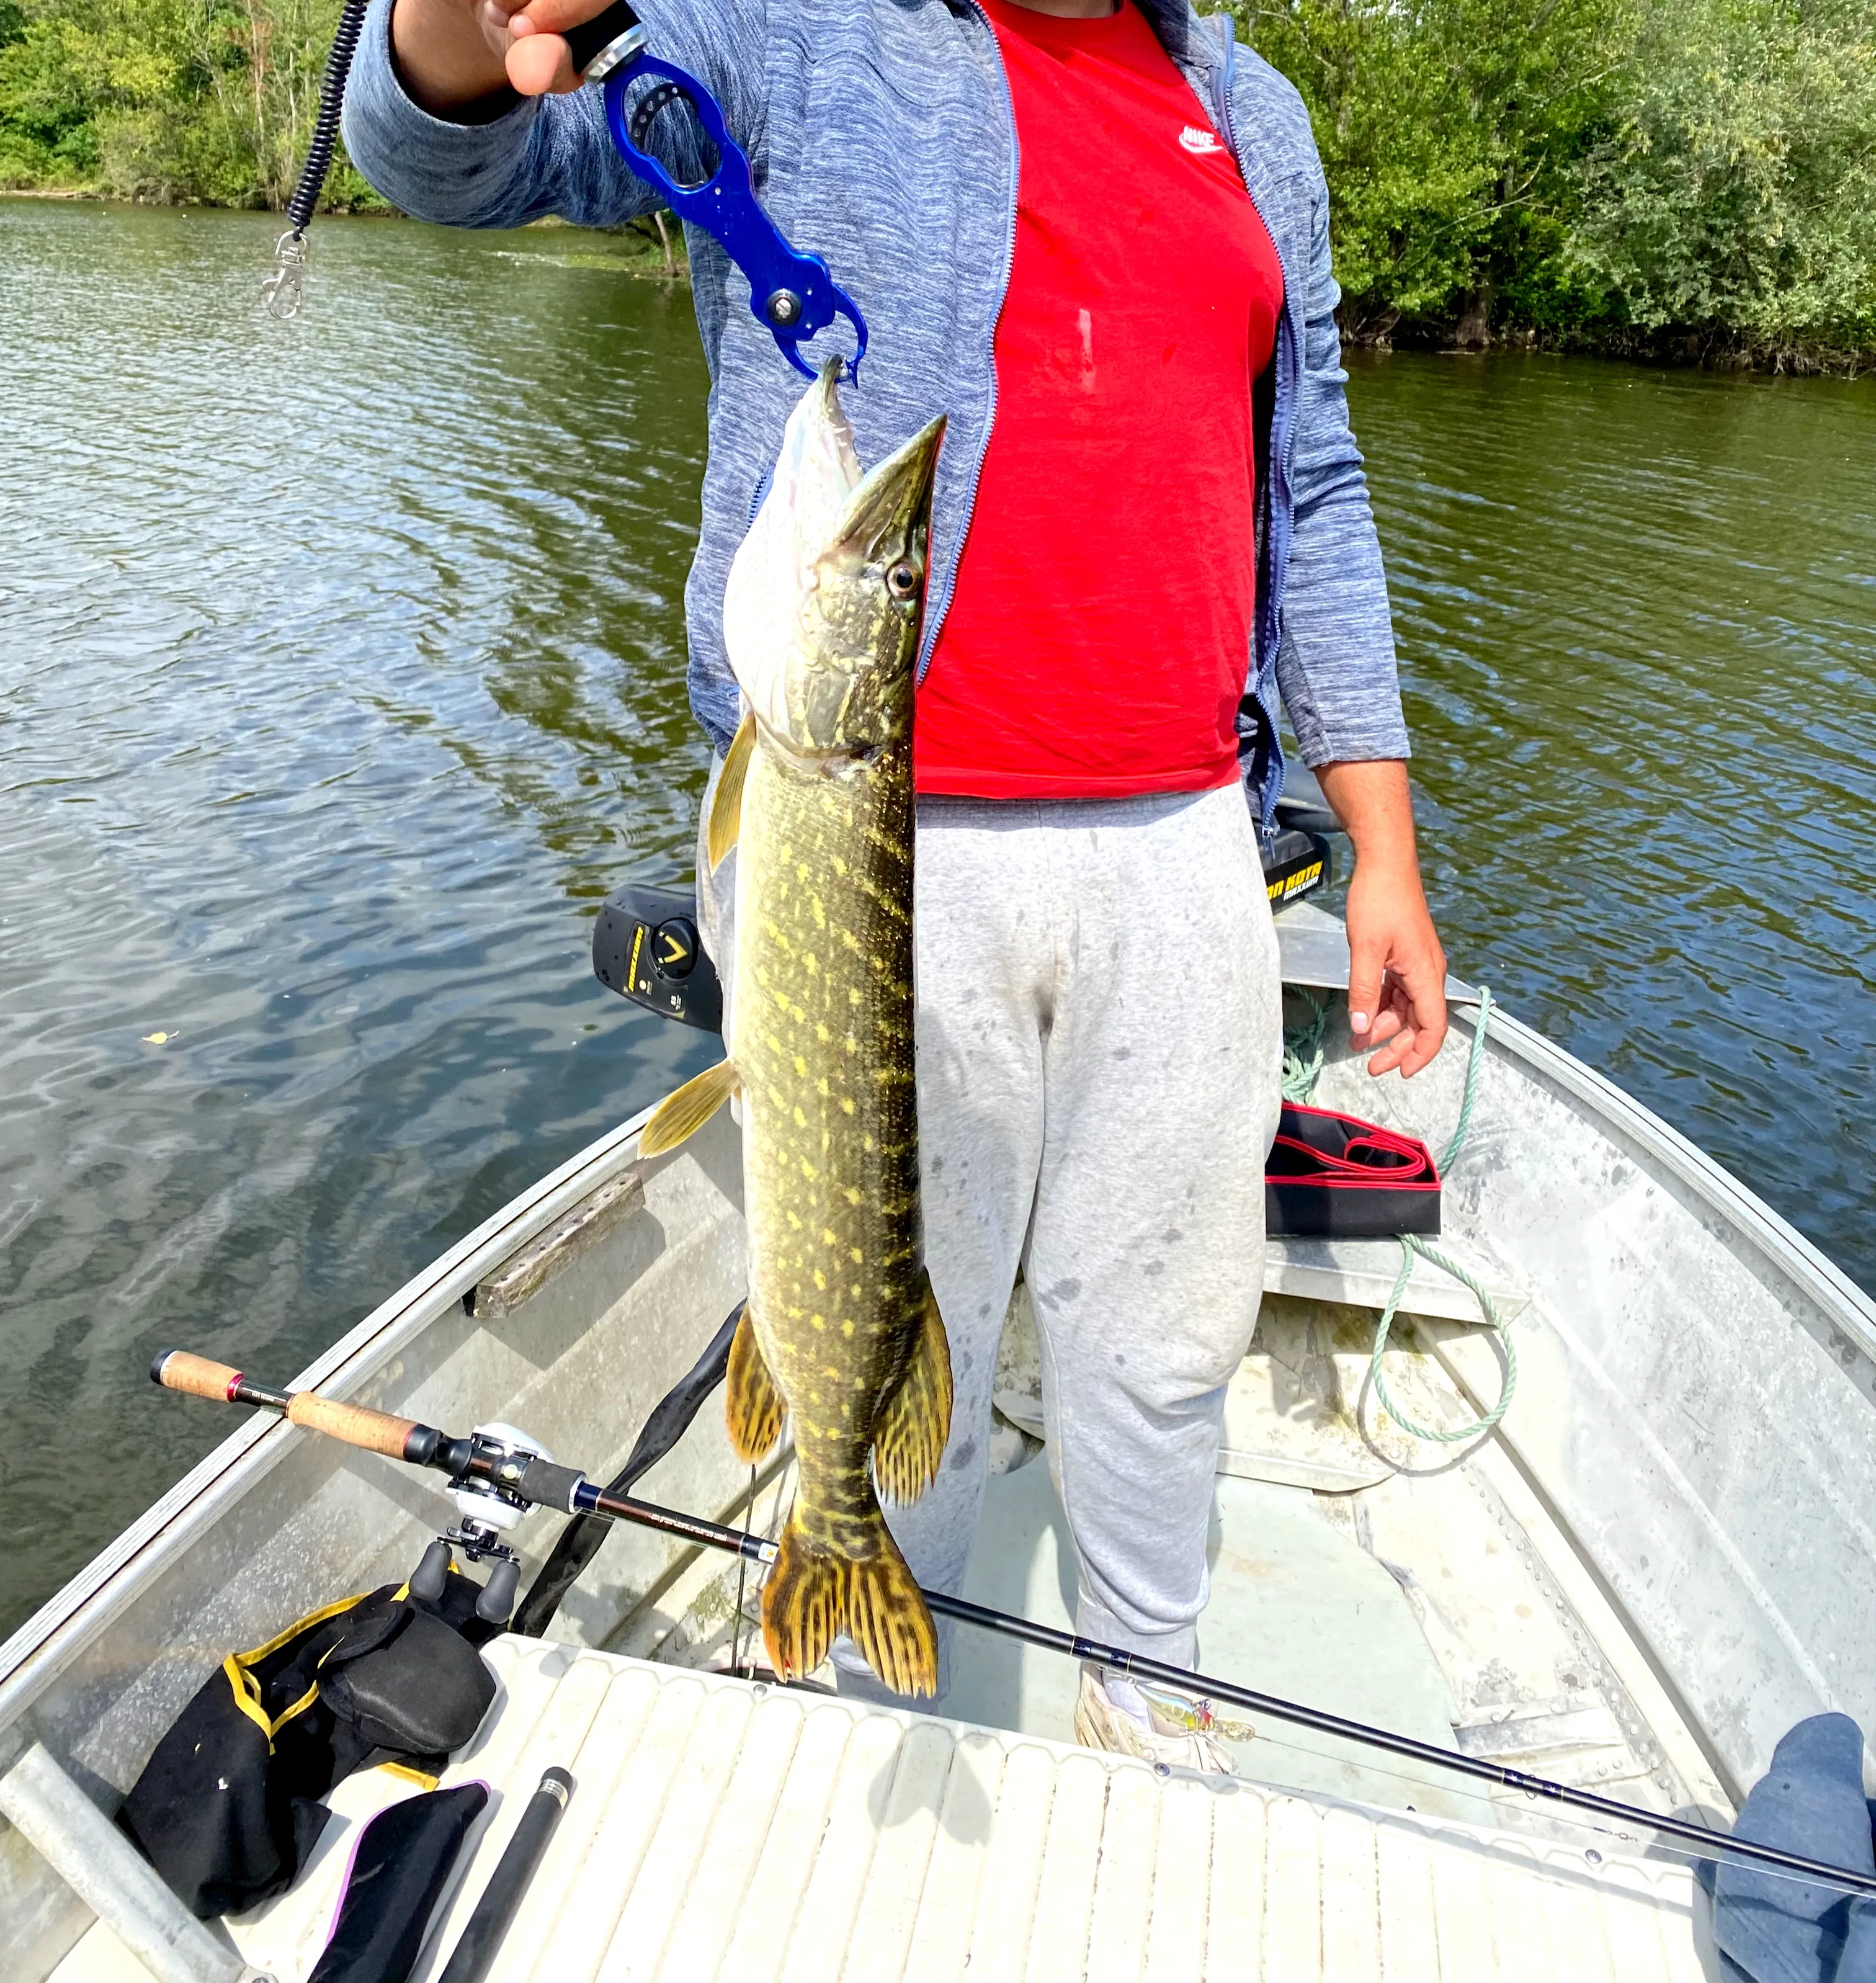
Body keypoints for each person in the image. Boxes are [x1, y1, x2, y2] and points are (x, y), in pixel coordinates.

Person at [344, 0, 1449, 1773]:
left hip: (1187, 847)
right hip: (873, 852)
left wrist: (1378, 847)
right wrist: (448, 29)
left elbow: (1312, 488)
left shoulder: (1251, 111)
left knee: (1165, 1343)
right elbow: (458, 158)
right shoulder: (792, 36)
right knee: (884, 1312)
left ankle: (1154, 1695)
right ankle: (883, 1700)